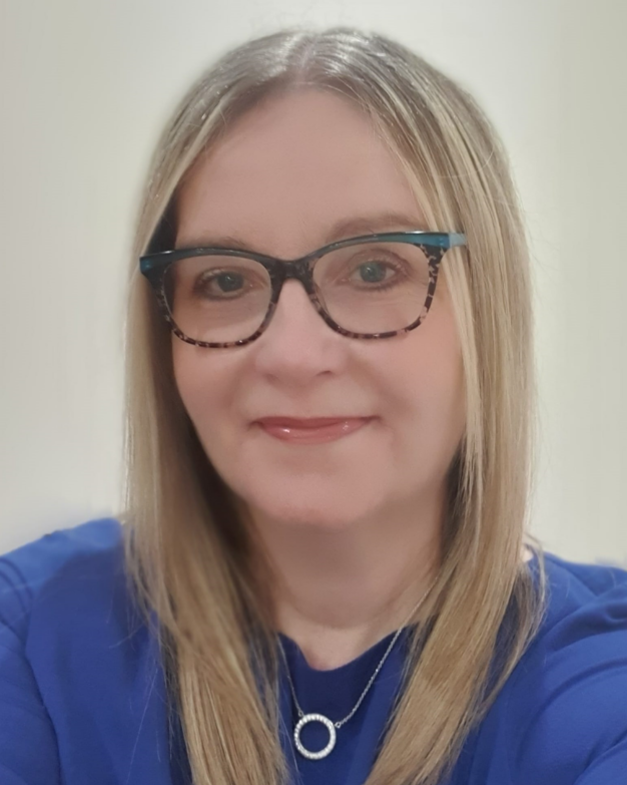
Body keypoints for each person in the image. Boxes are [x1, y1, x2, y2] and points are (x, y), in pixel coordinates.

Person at [1, 25, 626, 785]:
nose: (293, 355)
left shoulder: (598, 686)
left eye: (373, 268)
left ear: (484, 312)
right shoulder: (35, 634)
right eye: (224, 280)